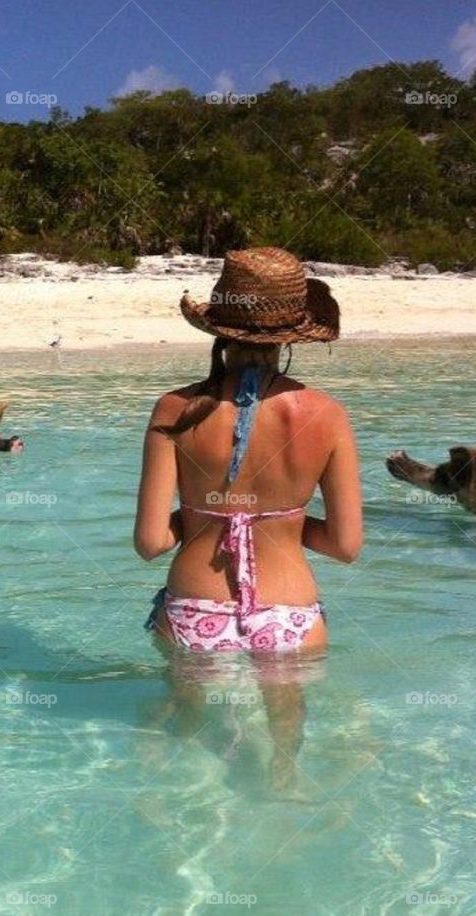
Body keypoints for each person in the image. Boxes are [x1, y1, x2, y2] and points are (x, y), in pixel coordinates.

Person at [135, 246, 363, 655]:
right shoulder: (328, 415)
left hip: (194, 607)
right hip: (290, 614)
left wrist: (205, 514)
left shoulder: (173, 408)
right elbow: (344, 547)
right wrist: (281, 523)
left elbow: (150, 543)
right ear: (291, 336)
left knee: (184, 720)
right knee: (290, 721)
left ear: (220, 329)